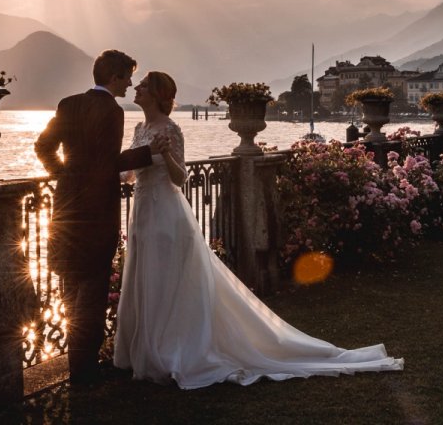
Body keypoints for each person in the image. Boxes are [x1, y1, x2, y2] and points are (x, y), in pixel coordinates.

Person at [114, 71, 404, 389]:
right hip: (142, 211)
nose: (136, 88)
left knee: (165, 279)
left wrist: (165, 152)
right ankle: (148, 350)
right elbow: (127, 174)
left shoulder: (171, 129)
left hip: (167, 214)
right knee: (146, 277)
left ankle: (171, 352)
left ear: (156, 94)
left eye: (142, 85)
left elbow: (180, 178)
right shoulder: (140, 128)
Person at [35, 50, 168, 386]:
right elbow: (108, 162)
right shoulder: (112, 110)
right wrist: (148, 154)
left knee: (70, 285)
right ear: (114, 77)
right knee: (91, 291)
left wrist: (64, 175)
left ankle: (76, 362)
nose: (129, 84)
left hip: (65, 208)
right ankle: (83, 369)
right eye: (126, 77)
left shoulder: (68, 104)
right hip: (96, 213)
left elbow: (43, 146)